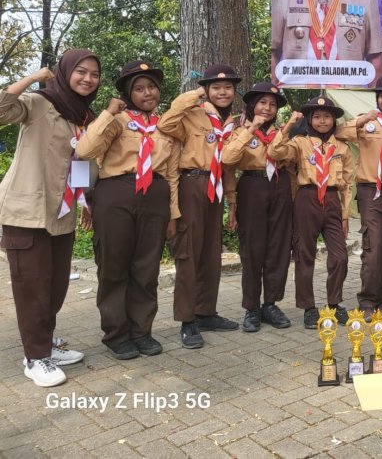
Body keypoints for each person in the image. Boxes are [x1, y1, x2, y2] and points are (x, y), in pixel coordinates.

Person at [0, 50, 100, 386]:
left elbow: (82, 162)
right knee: (32, 287)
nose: (87, 79)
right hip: (27, 212)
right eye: (81, 72)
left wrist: (85, 202)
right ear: (64, 72)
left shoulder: (84, 116)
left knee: (55, 285)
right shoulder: (40, 102)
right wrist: (31, 78)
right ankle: (35, 358)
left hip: (63, 212)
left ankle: (46, 345)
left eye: (94, 74)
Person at [76, 60, 179, 360]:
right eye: (139, 88)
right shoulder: (115, 122)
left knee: (146, 268)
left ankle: (141, 331)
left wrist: (173, 213)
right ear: (126, 93)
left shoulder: (166, 126)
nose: (147, 93)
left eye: (152, 87)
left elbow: (172, 174)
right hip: (116, 193)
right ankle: (116, 334)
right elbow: (84, 151)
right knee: (114, 266)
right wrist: (109, 112)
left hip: (155, 195)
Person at [157, 64, 242, 349]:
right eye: (215, 87)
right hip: (192, 183)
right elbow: (165, 124)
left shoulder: (233, 123)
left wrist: (231, 199)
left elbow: (228, 163)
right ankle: (187, 320)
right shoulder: (192, 115)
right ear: (206, 90)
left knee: (210, 251)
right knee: (189, 252)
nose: (222, 92)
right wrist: (193, 95)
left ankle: (206, 311)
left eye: (228, 88)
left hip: (216, 188)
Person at [222, 82, 294, 332]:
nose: (267, 108)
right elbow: (228, 159)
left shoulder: (283, 132)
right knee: (252, 248)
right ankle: (251, 307)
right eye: (262, 102)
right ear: (252, 105)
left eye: (272, 104)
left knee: (278, 248)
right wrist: (250, 130)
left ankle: (270, 304)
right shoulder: (239, 130)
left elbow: (289, 157)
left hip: (280, 186)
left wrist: (284, 134)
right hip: (252, 186)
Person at [336, 75, 382, 320]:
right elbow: (339, 133)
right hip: (371, 191)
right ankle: (367, 300)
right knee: (373, 247)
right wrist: (361, 119)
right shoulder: (369, 123)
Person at [283, 96, 353, 329]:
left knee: (340, 256)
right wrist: (288, 127)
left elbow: (348, 183)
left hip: (332, 199)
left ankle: (334, 303)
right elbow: (276, 153)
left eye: (327, 117)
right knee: (305, 255)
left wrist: (345, 215)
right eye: (317, 116)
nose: (322, 121)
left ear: (334, 120)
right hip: (306, 197)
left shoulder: (341, 148)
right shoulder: (300, 143)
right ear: (310, 120)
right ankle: (308, 307)